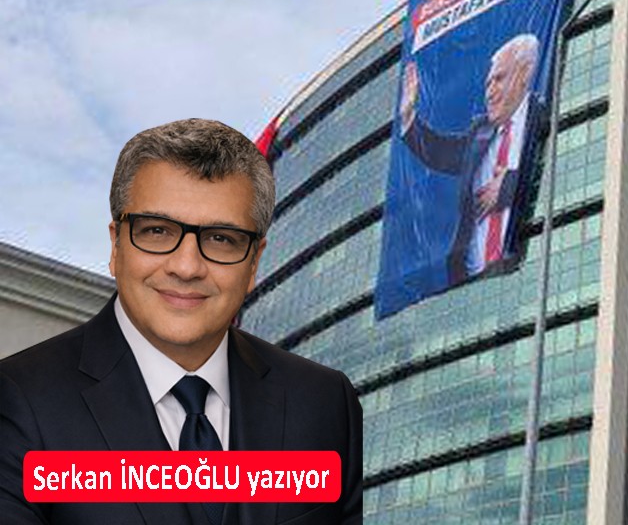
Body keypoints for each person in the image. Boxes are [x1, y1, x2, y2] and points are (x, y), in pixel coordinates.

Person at [0, 119, 362, 525]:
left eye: (221, 238)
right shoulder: (17, 399)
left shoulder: (325, 402)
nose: (187, 267)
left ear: (254, 262)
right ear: (116, 245)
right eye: (157, 231)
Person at [399, 33, 542, 283]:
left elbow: (555, 166)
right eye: (487, 83)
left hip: (523, 267)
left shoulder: (543, 114)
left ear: (525, 73)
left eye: (499, 79)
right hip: (472, 277)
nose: (490, 92)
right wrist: (409, 115)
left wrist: (510, 182)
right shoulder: (481, 132)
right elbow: (440, 152)